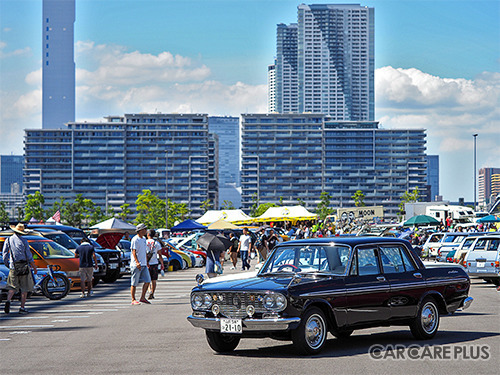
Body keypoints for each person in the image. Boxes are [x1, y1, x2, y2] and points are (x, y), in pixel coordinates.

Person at [2, 223, 37, 314]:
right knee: (24, 289)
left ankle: (8, 300)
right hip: (23, 266)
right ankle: (22, 307)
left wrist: (8, 264)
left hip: (13, 266)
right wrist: (34, 267)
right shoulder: (24, 241)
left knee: (12, 287)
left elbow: (5, 254)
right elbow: (29, 256)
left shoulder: (8, 240)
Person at [130, 223, 151, 305]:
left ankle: (142, 297)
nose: (146, 231)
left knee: (148, 281)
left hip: (144, 264)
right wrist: (137, 262)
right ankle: (133, 299)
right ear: (141, 230)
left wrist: (147, 261)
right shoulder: (135, 239)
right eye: (145, 229)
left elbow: (144, 251)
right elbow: (134, 251)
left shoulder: (143, 239)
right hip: (136, 264)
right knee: (134, 282)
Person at [146, 229, 165, 299]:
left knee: (147, 279)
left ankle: (149, 291)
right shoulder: (157, 243)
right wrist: (162, 264)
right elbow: (160, 255)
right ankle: (152, 293)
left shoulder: (144, 242)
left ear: (148, 234)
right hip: (154, 263)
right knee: (154, 280)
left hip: (146, 263)